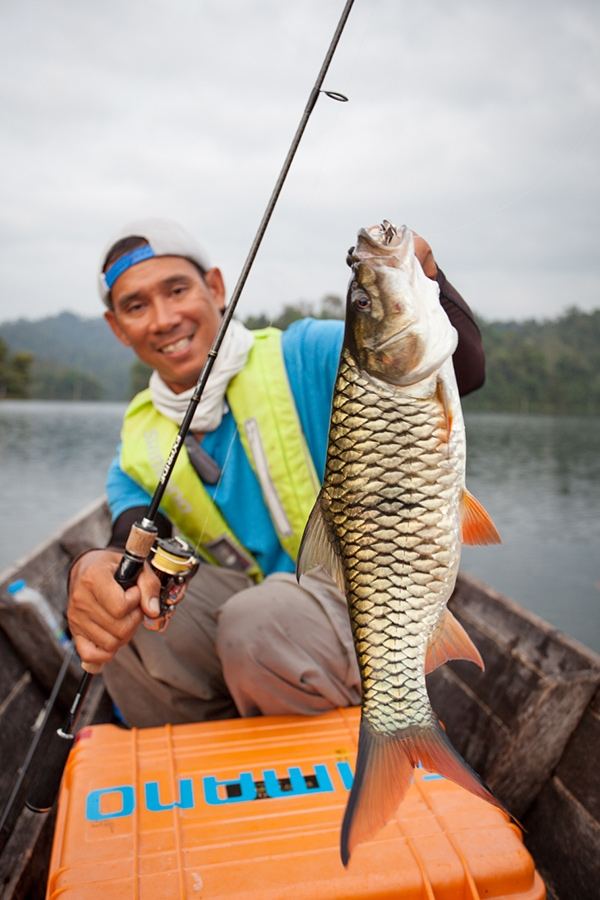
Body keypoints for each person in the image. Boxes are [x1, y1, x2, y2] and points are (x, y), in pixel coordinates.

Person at [67, 218, 485, 728]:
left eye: (177, 290)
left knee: (259, 622)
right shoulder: (137, 442)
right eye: (136, 305)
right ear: (116, 327)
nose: (163, 319)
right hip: (249, 621)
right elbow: (128, 542)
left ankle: (371, 737)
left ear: (216, 288)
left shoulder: (302, 354)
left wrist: (420, 280)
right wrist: (90, 569)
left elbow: (461, 370)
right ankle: (207, 758)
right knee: (131, 608)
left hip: (361, 604)